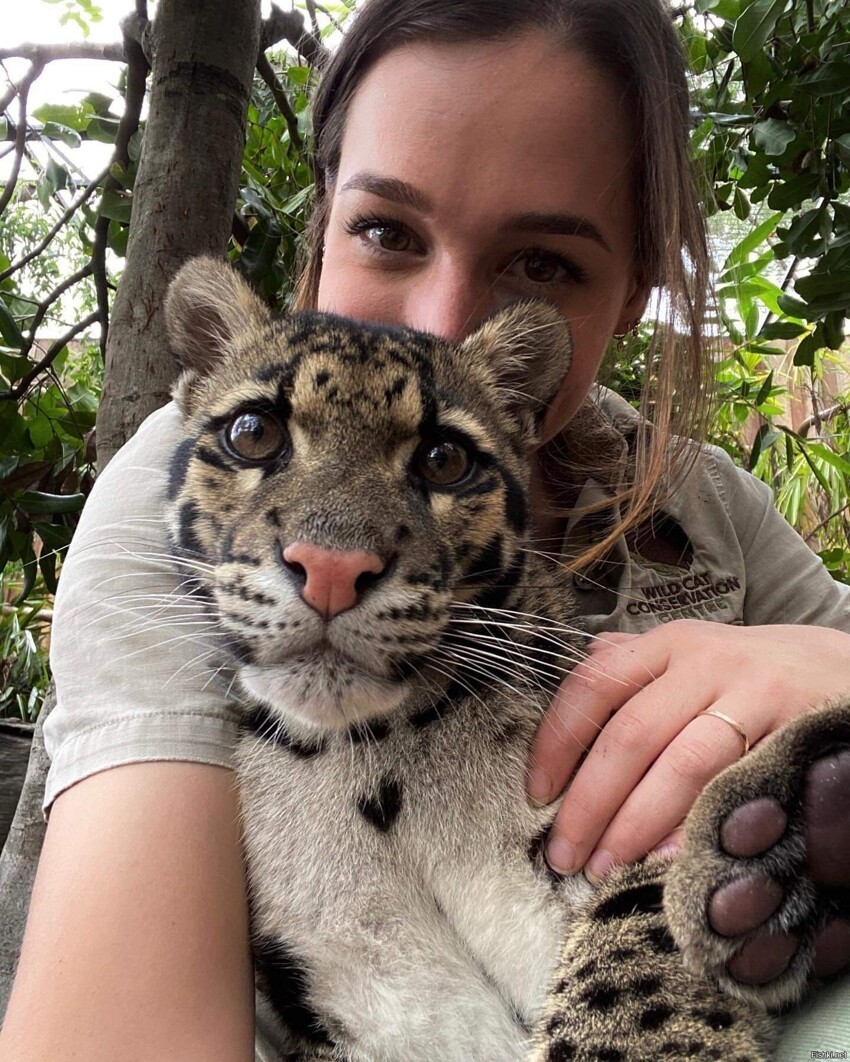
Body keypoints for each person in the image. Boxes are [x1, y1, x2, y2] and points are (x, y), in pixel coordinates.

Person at [2, 0, 850, 1058]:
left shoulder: (705, 508)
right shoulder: (167, 501)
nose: (442, 322)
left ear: (631, 293)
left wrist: (824, 669)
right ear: (322, 226)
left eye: (542, 262)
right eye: (387, 232)